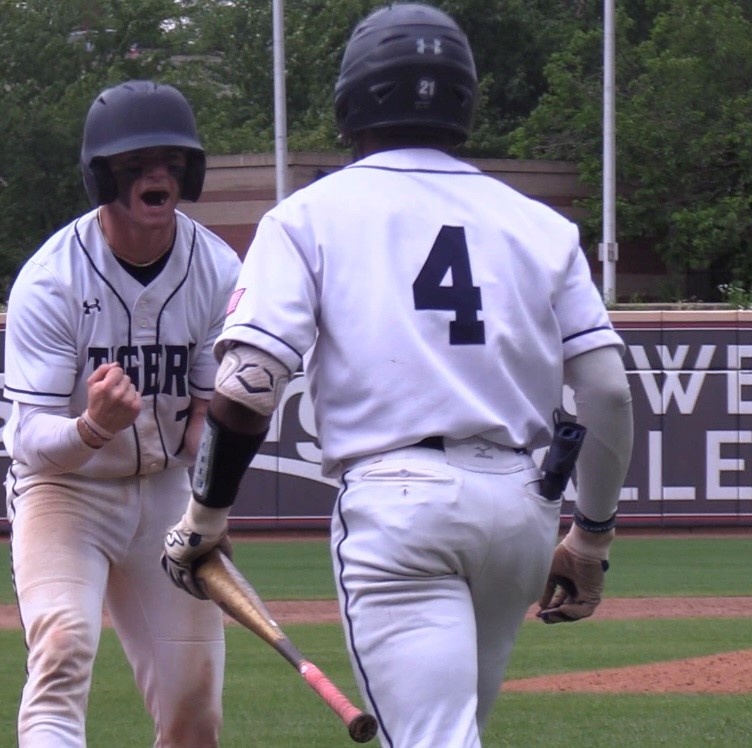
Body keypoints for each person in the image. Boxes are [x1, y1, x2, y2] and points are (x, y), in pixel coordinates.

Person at [160, 5, 634, 747]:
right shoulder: (540, 223)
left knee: (432, 739)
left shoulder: (308, 216)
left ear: (353, 99)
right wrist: (593, 540)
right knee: (449, 732)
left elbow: (251, 383)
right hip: (519, 510)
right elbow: (606, 390)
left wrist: (205, 519)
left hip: (399, 505)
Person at [2, 80, 241, 747]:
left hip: (165, 491)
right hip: (64, 492)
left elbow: (206, 415)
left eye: (170, 159)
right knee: (63, 651)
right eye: (136, 163)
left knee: (195, 708)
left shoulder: (217, 269)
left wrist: (207, 507)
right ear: (103, 176)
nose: (157, 173)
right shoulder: (52, 281)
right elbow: (28, 441)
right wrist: (93, 427)